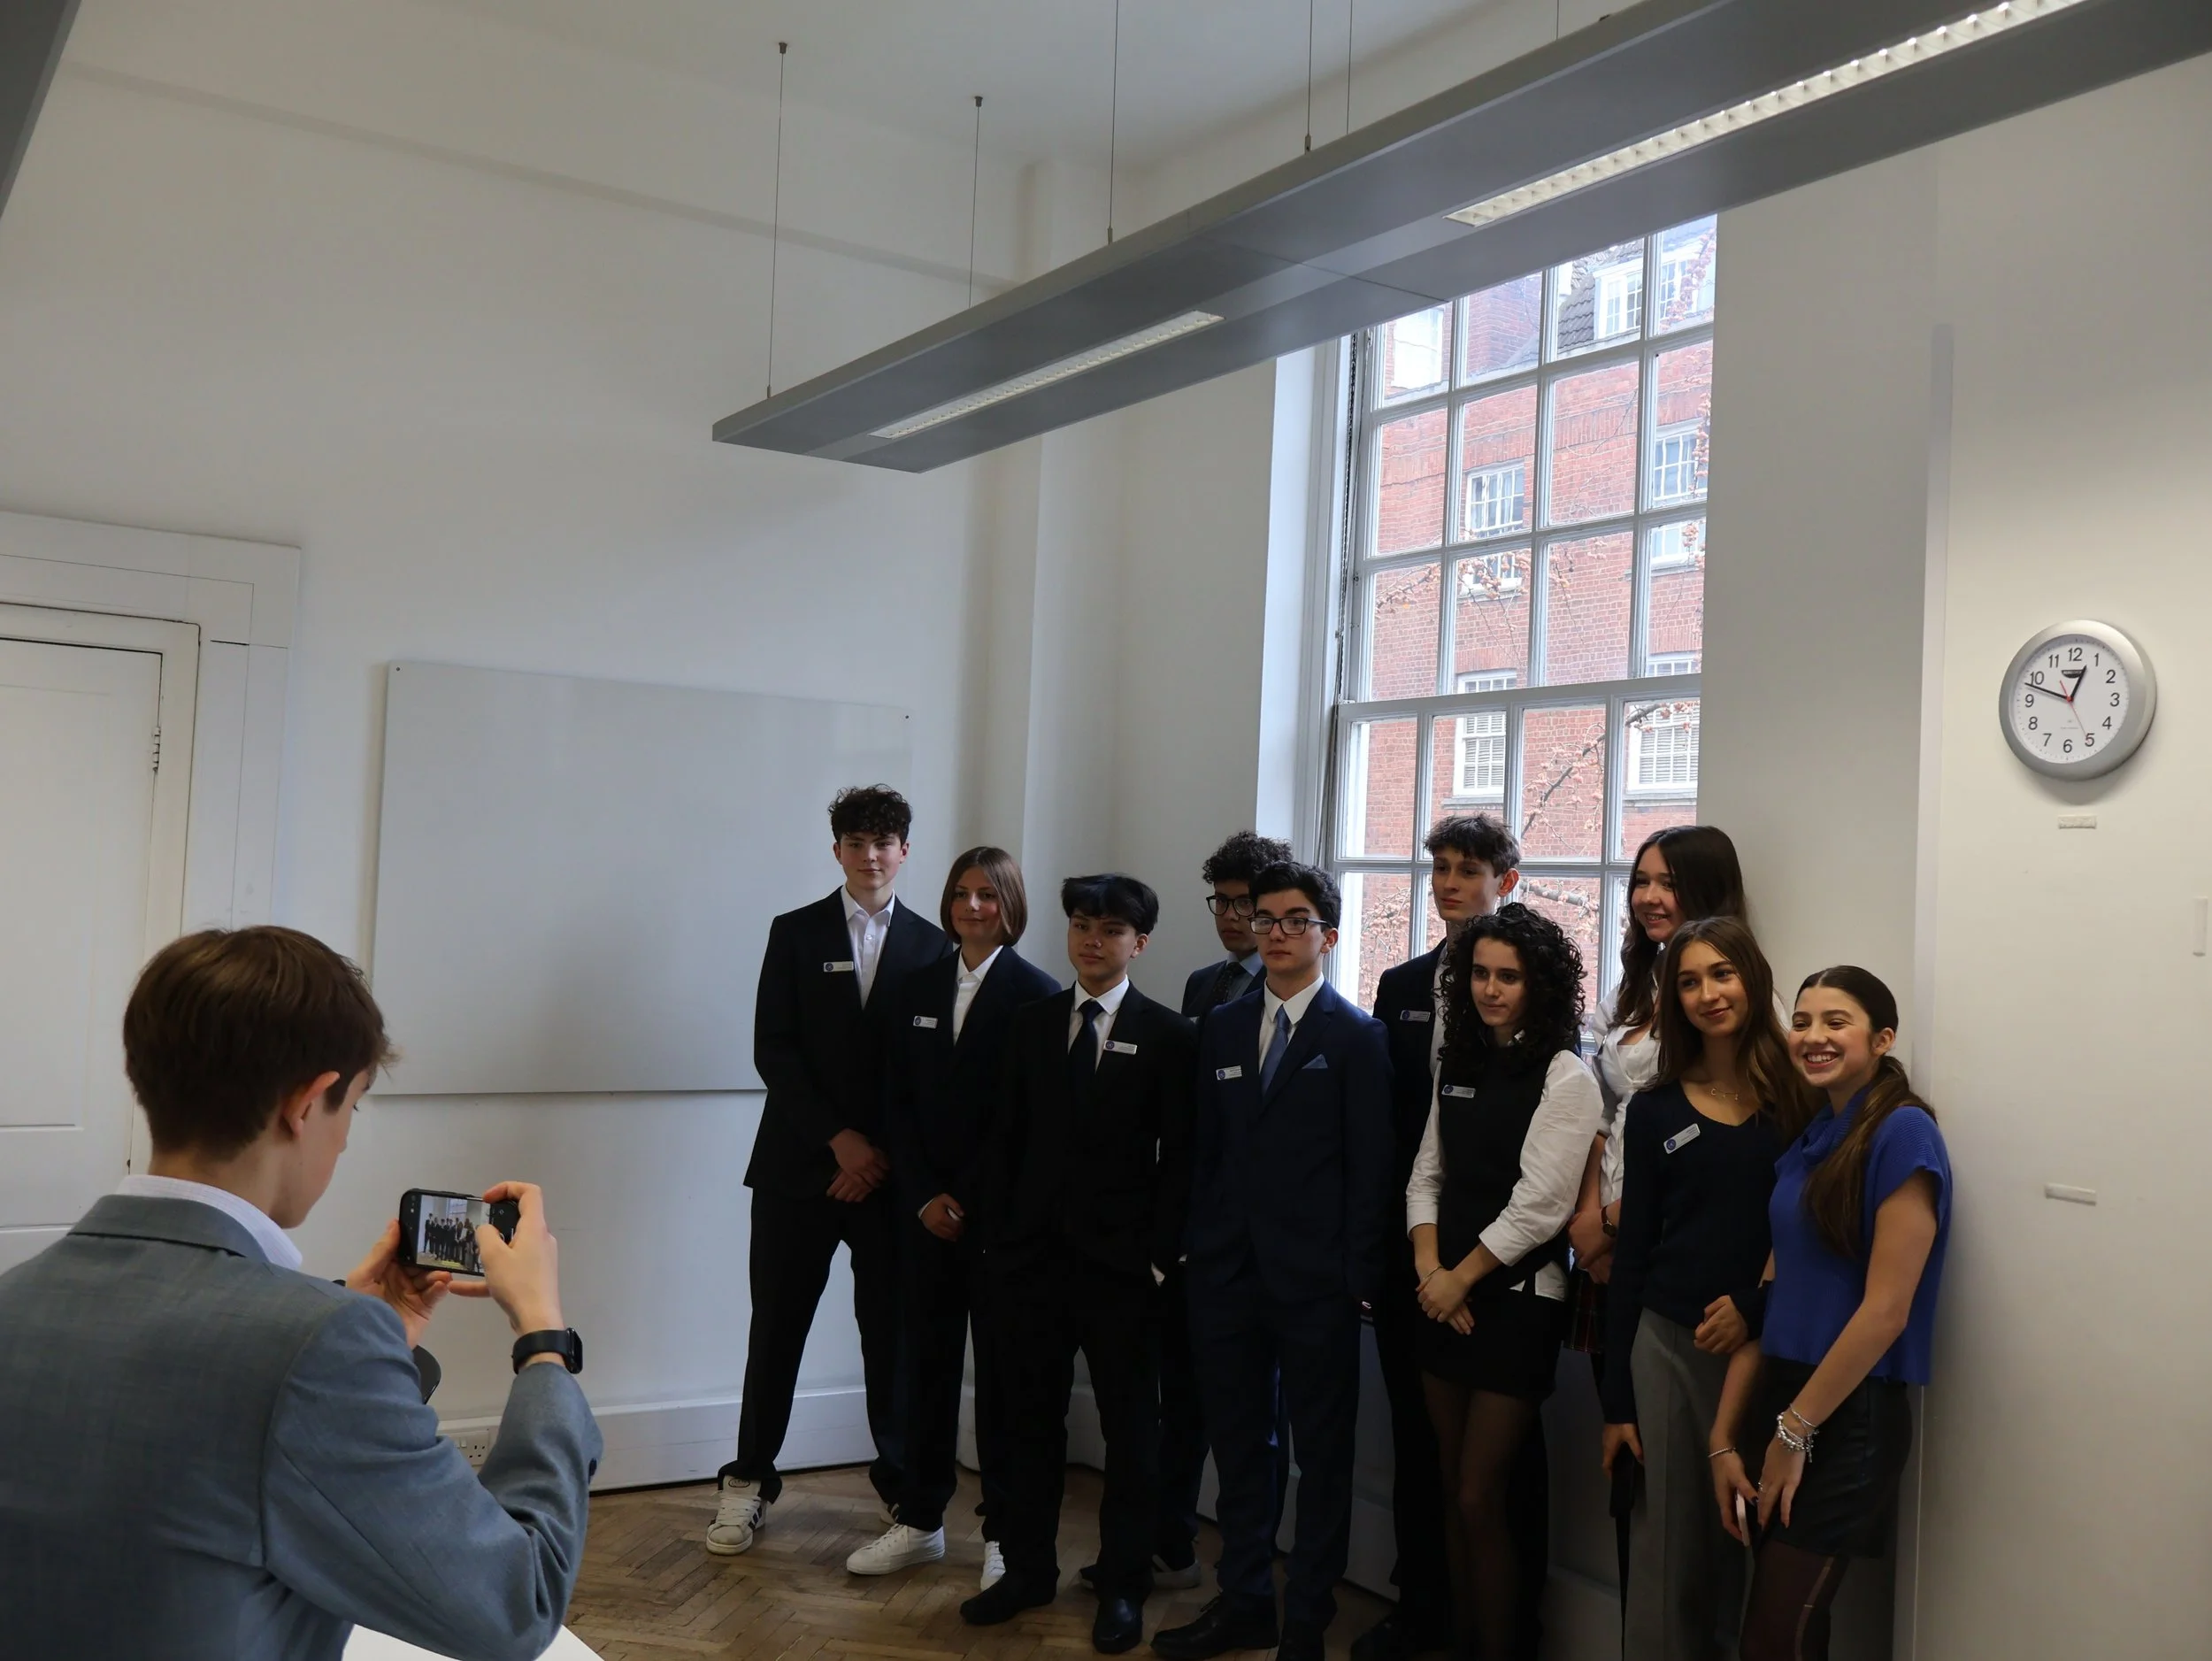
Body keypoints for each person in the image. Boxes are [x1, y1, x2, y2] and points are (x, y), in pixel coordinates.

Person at [0, 927, 596, 1661]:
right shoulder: (314, 1347)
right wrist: (543, 1338)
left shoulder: (14, 1299)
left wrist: (361, 1330)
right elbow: (515, 1604)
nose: (343, 1140)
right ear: (308, 1102)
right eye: (351, 1110)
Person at [1156, 862, 1394, 1661]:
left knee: (1321, 1455)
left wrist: (1359, 1276)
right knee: (1241, 1445)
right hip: (1224, 1274)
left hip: (1317, 1283)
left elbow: (1372, 1169)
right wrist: (1192, 1245)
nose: (1280, 934)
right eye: (1266, 920)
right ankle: (1245, 1598)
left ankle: (1309, 1622)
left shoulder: (1357, 1037)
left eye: (1297, 920)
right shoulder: (1220, 1028)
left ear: (1328, 934)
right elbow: (1201, 1152)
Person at [959, 874, 1196, 1656]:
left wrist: (1160, 1259)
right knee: (1027, 1420)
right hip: (1029, 1263)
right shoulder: (1029, 1024)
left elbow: (1182, 1160)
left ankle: (1122, 1582)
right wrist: (997, 1241)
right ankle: (1027, 1568)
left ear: (1140, 942)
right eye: (1082, 926)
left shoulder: (1168, 1035)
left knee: (1133, 1431)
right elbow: (999, 1139)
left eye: (1112, 930)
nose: (1093, 941)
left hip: (1124, 1271)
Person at [713, 785, 952, 1555]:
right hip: (796, 1171)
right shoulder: (794, 932)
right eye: (857, 841)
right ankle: (748, 1480)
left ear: (905, 851)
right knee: (775, 1331)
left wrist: (874, 1154)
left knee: (891, 1337)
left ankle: (901, 1488)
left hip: (889, 1183)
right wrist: (837, 1142)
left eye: (885, 841)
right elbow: (772, 1050)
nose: (871, 854)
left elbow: (927, 1072)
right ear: (838, 849)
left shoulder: (935, 946)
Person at [1709, 967, 1951, 1661]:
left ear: (1882, 1038)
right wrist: (1726, 1435)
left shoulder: (1904, 1133)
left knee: (1771, 1639)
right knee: (1795, 1632)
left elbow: (1886, 1313)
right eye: (1804, 1020)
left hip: (1848, 1415)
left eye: (1835, 1021)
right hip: (1785, 1398)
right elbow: (1770, 1297)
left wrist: (1793, 1432)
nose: (1813, 1036)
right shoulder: (1814, 1134)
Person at [1600, 917, 1813, 1659]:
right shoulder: (1656, 1108)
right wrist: (1616, 1402)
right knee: (1669, 1561)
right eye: (1687, 981)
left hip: (1774, 1352)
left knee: (1769, 1553)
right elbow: (1630, 1259)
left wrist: (1754, 1309)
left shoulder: (1800, 1096)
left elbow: (1817, 1239)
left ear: (1751, 977)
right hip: (1668, 1350)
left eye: (1721, 973)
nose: (1707, 993)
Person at [849, 847, 1060, 1587]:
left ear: (1011, 904)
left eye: (988, 895)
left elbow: (1024, 1123)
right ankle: (919, 1517)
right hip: (924, 1217)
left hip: (996, 1225)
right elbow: (894, 1103)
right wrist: (923, 1194)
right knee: (923, 1370)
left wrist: (965, 1198)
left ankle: (1003, 1530)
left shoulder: (1038, 995)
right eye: (963, 893)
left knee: (1003, 1381)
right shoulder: (916, 985)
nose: (973, 907)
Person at [1408, 904, 1601, 1661]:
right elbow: (1426, 1176)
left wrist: (1460, 1278)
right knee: (1451, 1495)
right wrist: (1430, 1273)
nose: (1491, 989)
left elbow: (1542, 1207)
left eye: (1509, 976)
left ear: (1539, 984)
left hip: (1515, 1307)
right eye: (1481, 973)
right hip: (1441, 1298)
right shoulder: (1457, 1060)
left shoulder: (1566, 1075)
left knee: (1481, 1495)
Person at [1356, 813, 1525, 1661]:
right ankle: (1417, 1604)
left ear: (1507, 881)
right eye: (1442, 870)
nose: (1452, 883)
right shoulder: (1400, 982)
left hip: (1494, 1255)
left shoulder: (1525, 985)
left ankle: (1483, 1628)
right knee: (1418, 1445)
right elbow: (1391, 1124)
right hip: (1407, 1244)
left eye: (1470, 869)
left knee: (1486, 1473)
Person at [1568, 824, 1751, 1597]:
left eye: (1667, 881)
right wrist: (1587, 1220)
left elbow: (1705, 1141)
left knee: (1681, 1484)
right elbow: (1601, 1113)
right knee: (1630, 1469)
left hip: (1662, 1252)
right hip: (1604, 1239)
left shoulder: (1727, 993)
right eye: (1642, 879)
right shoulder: (1634, 986)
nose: (1648, 895)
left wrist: (1613, 1225)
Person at [1138, 828, 1294, 1598]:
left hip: (1264, 1238)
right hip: (1197, 1221)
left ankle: (1250, 1572)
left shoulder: (1297, 990)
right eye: (1222, 902)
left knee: (1257, 1418)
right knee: (1183, 1398)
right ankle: (1166, 1542)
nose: (1233, 918)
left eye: (1247, 904)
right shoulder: (1204, 983)